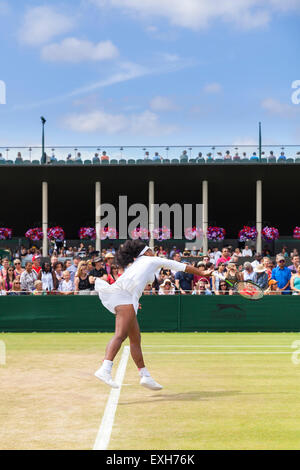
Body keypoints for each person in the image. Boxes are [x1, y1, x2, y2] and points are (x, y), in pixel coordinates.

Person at [94, 239, 207, 390]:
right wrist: (202, 272)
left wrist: (134, 301)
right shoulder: (151, 259)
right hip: (123, 298)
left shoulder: (138, 265)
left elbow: (133, 283)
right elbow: (181, 266)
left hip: (126, 298)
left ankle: (145, 376)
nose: (154, 252)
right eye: (151, 250)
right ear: (146, 252)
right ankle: (105, 368)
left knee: (135, 338)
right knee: (120, 335)